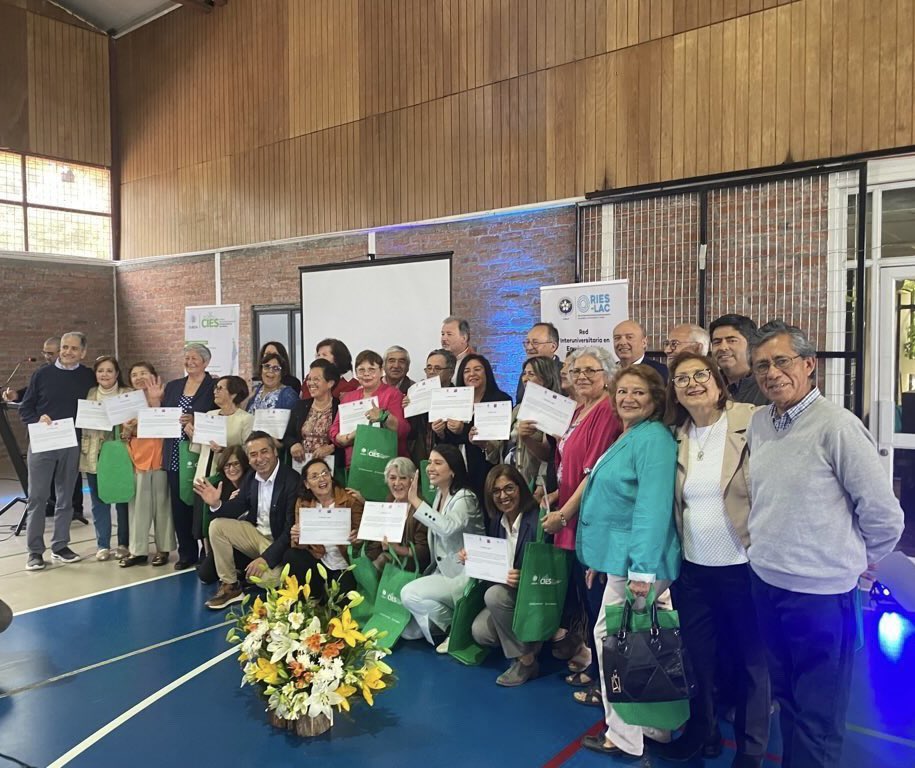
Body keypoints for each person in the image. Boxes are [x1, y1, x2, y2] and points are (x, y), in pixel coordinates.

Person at [746, 321, 904, 768]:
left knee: (818, 718)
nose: (772, 373)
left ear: (809, 364)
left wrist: (855, 560)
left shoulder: (837, 426)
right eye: (762, 366)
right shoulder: (760, 422)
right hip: (767, 584)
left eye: (782, 361)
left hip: (820, 596)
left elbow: (884, 516)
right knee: (787, 702)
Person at [558, 363, 680, 758]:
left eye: (638, 392)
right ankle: (656, 728)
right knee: (645, 644)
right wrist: (601, 557)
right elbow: (615, 504)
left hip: (639, 563)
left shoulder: (654, 440)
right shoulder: (630, 435)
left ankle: (625, 737)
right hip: (623, 558)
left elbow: (651, 510)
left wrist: (641, 571)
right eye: (622, 391)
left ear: (655, 399)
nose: (628, 398)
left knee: (616, 643)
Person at [657, 353, 770, 767]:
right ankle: (702, 733)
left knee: (751, 662)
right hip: (694, 571)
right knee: (698, 659)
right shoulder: (676, 436)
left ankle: (751, 751)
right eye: (681, 378)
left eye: (701, 374)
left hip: (744, 567)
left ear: (719, 382)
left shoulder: (751, 420)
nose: (692, 383)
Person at [542, 346, 622, 706]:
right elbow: (568, 465)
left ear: (607, 375)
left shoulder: (605, 411)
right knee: (586, 600)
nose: (583, 377)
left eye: (591, 370)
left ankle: (607, 682)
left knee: (598, 599)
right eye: (576, 371)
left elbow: (594, 474)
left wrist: (564, 513)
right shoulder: (577, 409)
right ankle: (594, 666)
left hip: (589, 519)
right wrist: (553, 495)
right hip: (571, 513)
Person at [193, 431, 300, 609]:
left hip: (278, 543)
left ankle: (260, 571)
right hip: (255, 536)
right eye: (253, 454)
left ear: (275, 452)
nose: (260, 458)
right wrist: (217, 504)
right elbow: (238, 505)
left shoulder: (291, 480)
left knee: (266, 581)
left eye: (264, 451)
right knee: (217, 526)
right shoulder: (251, 477)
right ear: (249, 459)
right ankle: (231, 586)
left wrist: (266, 559)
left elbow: (290, 530)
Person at [19, 332, 96, 571]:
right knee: (37, 497)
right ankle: (34, 552)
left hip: (71, 443)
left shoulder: (88, 376)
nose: (67, 352)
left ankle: (60, 546)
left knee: (66, 498)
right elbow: (26, 408)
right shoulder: (42, 374)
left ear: (83, 352)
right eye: (64, 347)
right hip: (43, 442)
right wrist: (37, 419)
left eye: (74, 348)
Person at [400, 445, 483, 649]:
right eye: (429, 462)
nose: (430, 468)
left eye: (438, 463)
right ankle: (454, 622)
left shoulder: (465, 497)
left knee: (409, 594)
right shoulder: (440, 494)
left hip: (463, 573)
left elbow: (447, 527)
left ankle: (455, 628)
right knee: (409, 633)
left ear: (453, 470)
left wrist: (415, 501)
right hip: (443, 571)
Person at [466, 464, 542, 686]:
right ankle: (529, 645)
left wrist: (524, 577)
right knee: (480, 632)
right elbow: (494, 564)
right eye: (496, 491)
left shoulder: (537, 519)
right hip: (510, 597)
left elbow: (548, 570)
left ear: (520, 488)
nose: (503, 496)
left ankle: (526, 660)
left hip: (533, 597)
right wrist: (473, 557)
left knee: (494, 596)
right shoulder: (496, 522)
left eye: (509, 488)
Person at [162, 343, 216, 570]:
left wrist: (195, 419)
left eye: (195, 358)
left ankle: (207, 552)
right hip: (174, 452)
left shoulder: (214, 386)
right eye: (187, 358)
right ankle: (186, 552)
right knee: (179, 505)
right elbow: (162, 413)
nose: (190, 362)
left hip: (202, 453)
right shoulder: (173, 386)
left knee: (200, 504)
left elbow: (218, 415)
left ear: (206, 362)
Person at [121, 362, 175, 568]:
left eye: (143, 373)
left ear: (154, 375)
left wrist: (155, 403)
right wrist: (128, 429)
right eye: (134, 374)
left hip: (161, 458)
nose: (139, 377)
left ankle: (164, 548)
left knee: (163, 505)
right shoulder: (126, 403)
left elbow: (167, 425)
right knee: (138, 508)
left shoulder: (166, 396)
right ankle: (138, 551)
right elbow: (123, 434)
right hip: (137, 459)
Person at [437, 353, 512, 504]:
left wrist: (463, 430)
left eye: (477, 369)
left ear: (487, 373)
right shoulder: (454, 399)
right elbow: (448, 439)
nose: (472, 374)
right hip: (456, 469)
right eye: (467, 371)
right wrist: (440, 432)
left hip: (485, 469)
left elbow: (498, 439)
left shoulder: (500, 400)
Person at [285, 458, 363, 601]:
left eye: (325, 473)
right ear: (307, 484)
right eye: (315, 476)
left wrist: (358, 538)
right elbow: (300, 545)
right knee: (292, 555)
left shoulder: (350, 500)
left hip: (344, 563)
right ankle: (308, 600)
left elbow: (365, 540)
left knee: (337, 604)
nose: (322, 479)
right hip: (319, 559)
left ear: (331, 477)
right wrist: (297, 537)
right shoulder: (303, 503)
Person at [79, 355, 131, 561]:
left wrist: (127, 428)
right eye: (101, 370)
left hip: (120, 454)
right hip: (94, 453)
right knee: (98, 501)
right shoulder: (90, 393)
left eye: (109, 370)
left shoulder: (127, 394)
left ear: (117, 373)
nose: (105, 374)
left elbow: (136, 422)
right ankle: (102, 545)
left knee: (122, 500)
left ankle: (124, 543)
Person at [329, 349, 408, 467]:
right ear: (356, 373)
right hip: (354, 463)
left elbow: (403, 430)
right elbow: (334, 429)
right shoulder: (348, 397)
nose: (366, 374)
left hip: (386, 463)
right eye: (361, 370)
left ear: (381, 371)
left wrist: (384, 416)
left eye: (371, 369)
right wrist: (344, 438)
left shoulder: (393, 394)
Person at [195, 446, 252, 582]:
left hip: (249, 540)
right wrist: (223, 504)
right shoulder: (220, 487)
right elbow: (213, 524)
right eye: (227, 465)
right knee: (205, 574)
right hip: (227, 542)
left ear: (244, 464)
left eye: (236, 464)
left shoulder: (252, 482)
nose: (232, 469)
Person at [364, 457, 430, 573]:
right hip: (389, 561)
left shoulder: (421, 507)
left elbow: (423, 551)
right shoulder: (389, 500)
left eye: (403, 478)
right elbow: (377, 543)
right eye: (392, 478)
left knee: (381, 561)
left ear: (412, 480)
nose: (397, 483)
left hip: (411, 568)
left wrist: (397, 549)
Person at [510, 356, 562, 490]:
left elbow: (551, 452)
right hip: (515, 479)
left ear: (546, 378)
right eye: (524, 374)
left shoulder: (555, 409)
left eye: (531, 374)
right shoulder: (518, 409)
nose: (525, 378)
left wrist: (540, 483)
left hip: (538, 484)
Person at [283, 359, 341, 470]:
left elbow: (346, 441)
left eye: (316, 379)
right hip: (301, 466)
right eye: (309, 379)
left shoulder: (340, 407)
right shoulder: (300, 406)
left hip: (329, 468)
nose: (310, 383)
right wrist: (293, 444)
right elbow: (288, 435)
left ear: (330, 383)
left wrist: (332, 448)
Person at [404, 348, 456, 466]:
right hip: (419, 459)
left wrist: (442, 433)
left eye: (437, 368)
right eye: (429, 368)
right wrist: (407, 408)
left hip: (448, 461)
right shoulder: (417, 392)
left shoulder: (457, 397)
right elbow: (411, 431)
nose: (431, 372)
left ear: (451, 373)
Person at [710, 314, 768, 406]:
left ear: (751, 344)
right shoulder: (709, 384)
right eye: (717, 342)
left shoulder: (767, 383)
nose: (723, 347)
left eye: (732, 341)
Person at [515, 322, 562, 403]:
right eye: (527, 342)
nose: (529, 347)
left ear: (553, 347)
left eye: (535, 343)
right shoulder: (526, 372)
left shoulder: (564, 373)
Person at [440, 316, 474, 383]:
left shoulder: (475, 362)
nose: (444, 338)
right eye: (443, 334)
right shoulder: (439, 359)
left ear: (464, 338)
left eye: (449, 334)